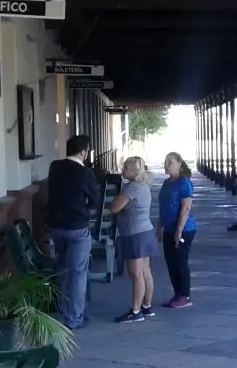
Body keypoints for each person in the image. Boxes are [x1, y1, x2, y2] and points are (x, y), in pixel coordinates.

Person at [46, 135, 101, 329]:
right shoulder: (85, 173)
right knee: (78, 272)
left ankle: (63, 307)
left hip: (56, 227)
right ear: (84, 152)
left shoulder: (54, 167)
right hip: (77, 228)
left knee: (63, 268)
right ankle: (74, 318)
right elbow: (96, 199)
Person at [108, 156, 159, 323]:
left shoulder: (133, 187)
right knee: (145, 272)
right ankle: (146, 306)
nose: (122, 170)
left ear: (134, 171)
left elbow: (115, 207)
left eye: (125, 168)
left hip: (134, 234)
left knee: (136, 273)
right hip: (145, 231)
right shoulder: (142, 186)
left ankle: (135, 311)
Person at [157, 152, 197, 309]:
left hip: (184, 229)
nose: (167, 165)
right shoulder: (167, 183)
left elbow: (186, 208)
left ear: (180, 164)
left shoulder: (184, 183)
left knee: (180, 262)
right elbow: (164, 208)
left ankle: (185, 295)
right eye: (166, 162)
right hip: (168, 229)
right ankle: (177, 293)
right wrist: (159, 227)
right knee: (171, 263)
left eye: (171, 162)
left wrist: (179, 230)